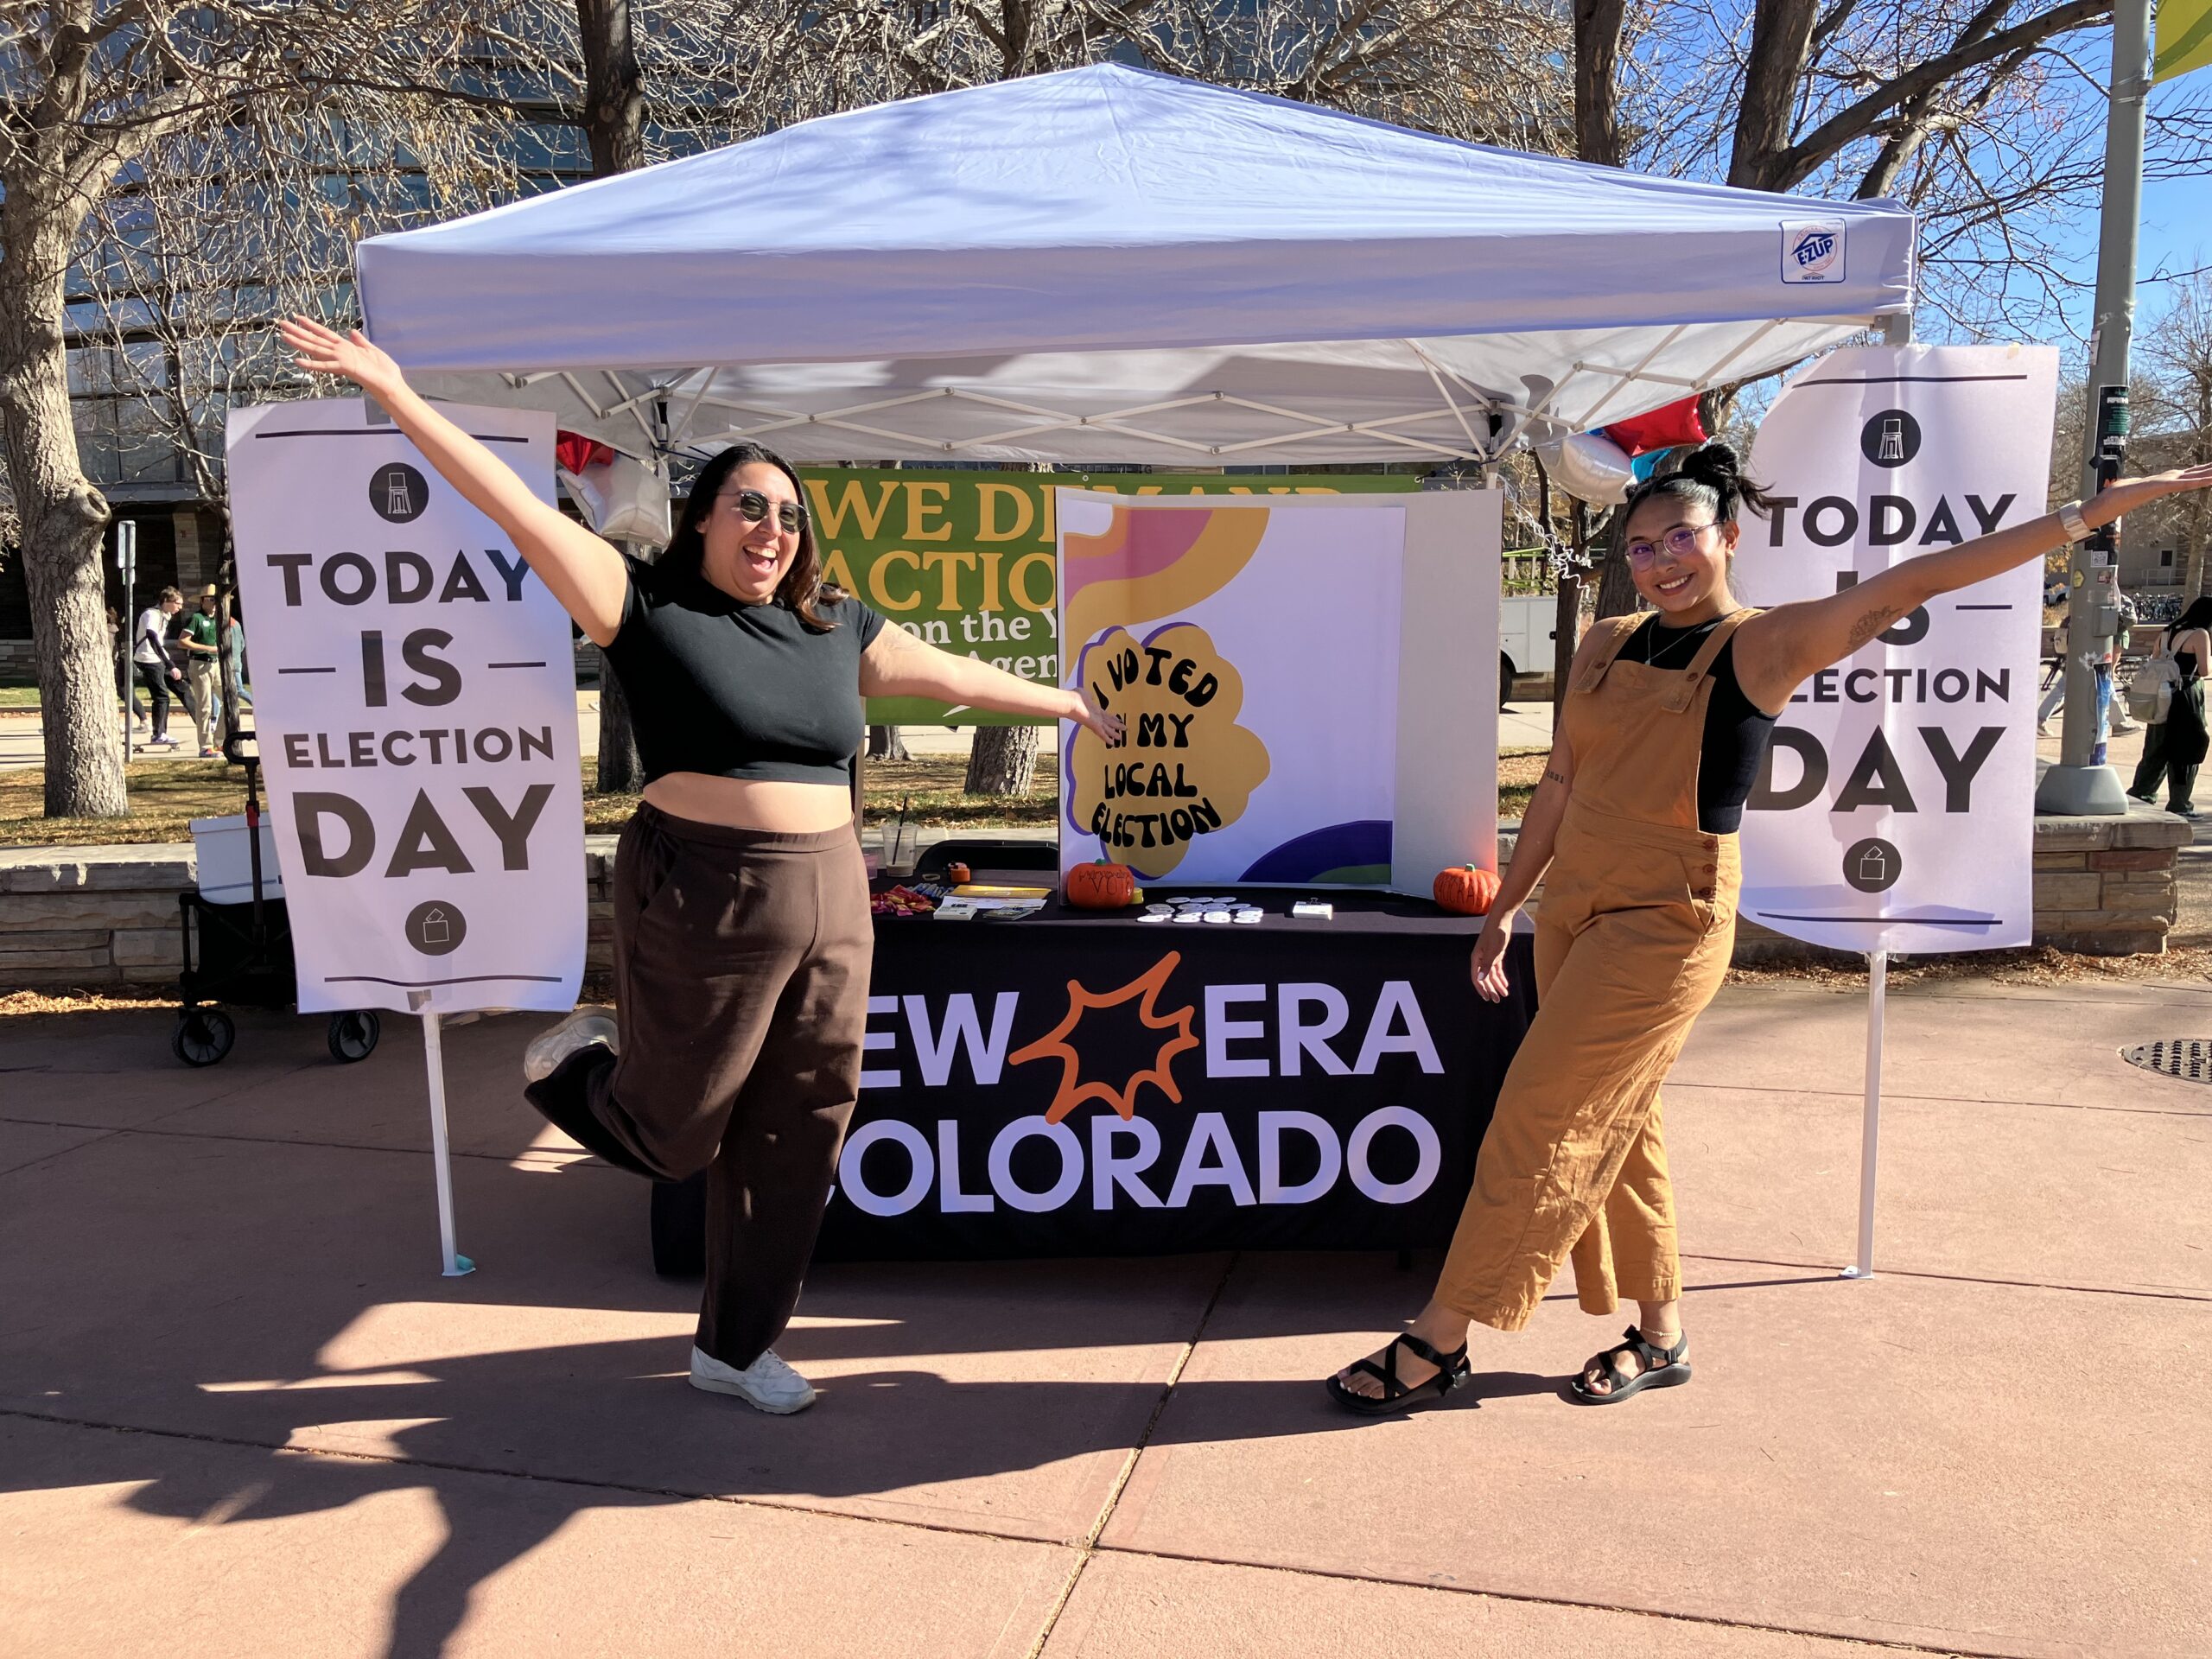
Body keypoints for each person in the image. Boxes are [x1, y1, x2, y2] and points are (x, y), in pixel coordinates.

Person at [278, 315, 1122, 1416]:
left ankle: (735, 1347)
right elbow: (515, 506)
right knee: (676, 1135)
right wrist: (396, 393)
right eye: (748, 507)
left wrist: (1065, 702)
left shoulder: (834, 625)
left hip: (831, 893)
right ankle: (577, 1072)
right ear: (703, 520)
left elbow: (952, 672)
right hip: (705, 886)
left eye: (786, 514)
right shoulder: (646, 604)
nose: (770, 529)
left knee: (803, 1131)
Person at [1328, 442, 2212, 1414]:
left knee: (1541, 1114)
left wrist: (2086, 518)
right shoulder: (1606, 640)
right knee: (1620, 1120)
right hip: (1574, 906)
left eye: (1682, 539)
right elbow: (1560, 783)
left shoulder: (1763, 645)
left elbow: (1912, 579)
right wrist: (1506, 909)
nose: (1663, 560)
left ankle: (1442, 1336)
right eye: (1644, 545)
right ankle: (1662, 1337)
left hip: (1668, 923)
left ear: (1728, 538)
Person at [2129, 596, 2212, 817]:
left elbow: (2156, 659)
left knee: (2156, 747)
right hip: (2186, 696)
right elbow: (2204, 671)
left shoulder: (2167, 631)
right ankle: (2180, 803)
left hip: (2161, 695)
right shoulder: (2200, 635)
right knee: (2188, 748)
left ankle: (2140, 795)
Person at [130, 588, 186, 749]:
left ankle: (161, 732)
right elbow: (152, 637)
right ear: (166, 602)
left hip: (157, 658)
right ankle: (159, 734)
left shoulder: (164, 616)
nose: (180, 608)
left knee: (176, 691)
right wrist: (169, 664)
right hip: (148, 658)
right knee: (161, 696)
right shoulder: (152, 614)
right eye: (178, 604)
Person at [180, 585, 226, 757]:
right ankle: (205, 746)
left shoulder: (220, 618)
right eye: (211, 599)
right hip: (200, 664)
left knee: (229, 700)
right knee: (205, 706)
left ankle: (220, 741)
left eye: (217, 600)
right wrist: (208, 648)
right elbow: (183, 641)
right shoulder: (197, 618)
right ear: (202, 601)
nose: (214, 603)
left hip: (217, 665)